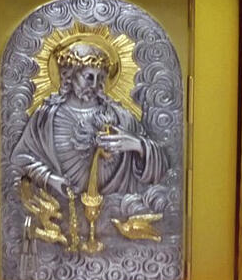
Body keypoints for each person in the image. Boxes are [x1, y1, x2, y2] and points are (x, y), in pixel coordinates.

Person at [9, 41, 168, 198]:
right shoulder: (45, 119)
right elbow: (20, 158)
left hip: (114, 207)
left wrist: (138, 145)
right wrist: (50, 179)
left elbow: (161, 164)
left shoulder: (121, 117)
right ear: (69, 76)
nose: (95, 84)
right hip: (60, 208)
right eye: (89, 77)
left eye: (100, 78)